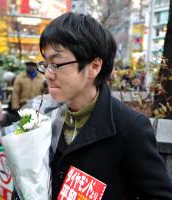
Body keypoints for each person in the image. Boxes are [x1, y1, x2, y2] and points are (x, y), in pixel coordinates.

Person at [12, 13, 172, 199]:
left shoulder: (130, 127)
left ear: (94, 66)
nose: (48, 74)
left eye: (56, 63)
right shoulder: (43, 116)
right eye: (45, 64)